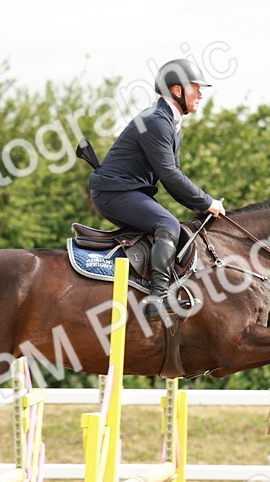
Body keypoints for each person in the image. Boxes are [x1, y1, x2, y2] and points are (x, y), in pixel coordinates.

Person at [88, 59, 226, 318]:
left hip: (126, 191)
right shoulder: (156, 120)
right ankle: (157, 297)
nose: (201, 94)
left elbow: (172, 180)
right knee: (169, 225)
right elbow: (170, 175)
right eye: (195, 88)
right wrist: (207, 202)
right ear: (177, 91)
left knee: (171, 225)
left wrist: (202, 207)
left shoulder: (170, 122)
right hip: (114, 193)